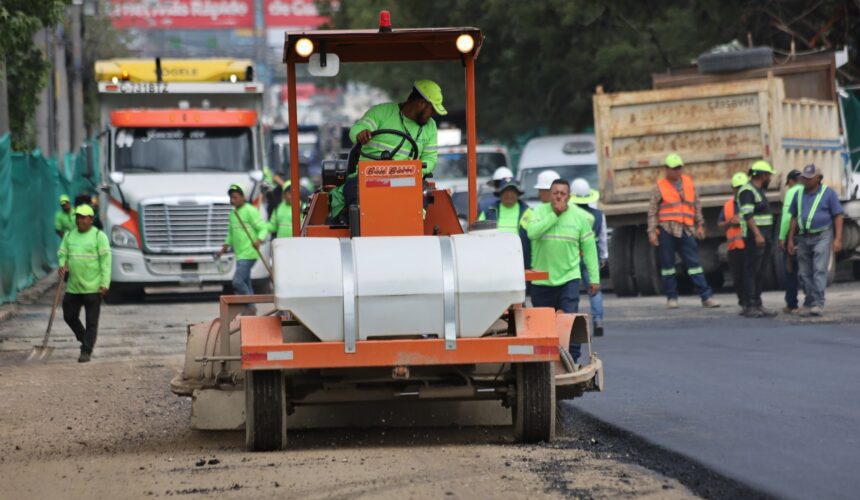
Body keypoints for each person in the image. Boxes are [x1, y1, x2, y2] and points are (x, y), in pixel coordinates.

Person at [330, 80, 446, 220]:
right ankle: (358, 223)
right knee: (353, 191)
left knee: (423, 193)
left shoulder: (430, 127)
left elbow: (430, 158)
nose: (432, 114)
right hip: (368, 179)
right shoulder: (382, 112)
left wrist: (413, 171)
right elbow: (357, 129)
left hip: (404, 181)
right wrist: (360, 133)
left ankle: (414, 225)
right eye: (432, 110)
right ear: (421, 103)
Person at [527, 179, 600, 362]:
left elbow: (590, 249)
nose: (559, 197)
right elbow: (532, 233)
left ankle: (572, 360)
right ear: (549, 195)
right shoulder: (539, 211)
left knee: (568, 321)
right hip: (542, 281)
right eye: (555, 193)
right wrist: (554, 215)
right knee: (543, 327)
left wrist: (594, 278)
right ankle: (546, 362)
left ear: (569, 196)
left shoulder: (579, 217)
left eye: (563, 193)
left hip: (569, 278)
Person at [647, 153, 719, 309]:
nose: (677, 171)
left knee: (694, 264)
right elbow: (652, 211)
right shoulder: (660, 187)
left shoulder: (688, 183)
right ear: (667, 169)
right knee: (668, 266)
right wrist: (652, 232)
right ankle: (671, 298)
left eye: (679, 168)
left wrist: (700, 225)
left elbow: (696, 205)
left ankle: (706, 297)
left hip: (686, 230)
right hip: (667, 230)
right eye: (674, 168)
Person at [787, 163, 844, 317]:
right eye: (804, 177)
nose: (806, 180)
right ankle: (809, 301)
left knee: (819, 269)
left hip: (822, 235)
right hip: (803, 237)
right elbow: (793, 217)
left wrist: (838, 239)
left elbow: (838, 215)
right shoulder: (798, 194)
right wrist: (790, 239)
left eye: (809, 178)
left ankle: (818, 303)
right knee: (804, 272)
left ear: (818, 178)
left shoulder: (828, 193)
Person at [57, 204, 111, 363]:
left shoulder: (99, 236)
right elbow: (62, 253)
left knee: (91, 322)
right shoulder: (69, 236)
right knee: (69, 315)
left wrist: (105, 283)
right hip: (73, 286)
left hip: (93, 287)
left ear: (91, 219)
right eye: (78, 217)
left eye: (83, 217)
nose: (79, 220)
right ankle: (84, 337)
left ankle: (86, 350)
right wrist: (62, 264)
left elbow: (106, 262)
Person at [216, 184, 268, 315]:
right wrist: (223, 249)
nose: (232, 200)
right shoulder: (233, 214)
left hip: (249, 253)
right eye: (231, 198)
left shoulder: (250, 210)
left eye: (235, 197)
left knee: (237, 281)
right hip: (239, 254)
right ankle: (251, 308)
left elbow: (263, 228)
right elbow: (230, 234)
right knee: (246, 282)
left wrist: (259, 240)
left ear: (242, 197)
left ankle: (249, 306)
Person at [737, 160, 777, 318]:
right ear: (762, 175)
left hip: (764, 237)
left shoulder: (758, 190)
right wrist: (757, 235)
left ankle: (758, 303)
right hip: (755, 238)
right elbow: (748, 215)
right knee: (751, 271)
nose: (770, 178)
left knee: (760, 272)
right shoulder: (747, 191)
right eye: (769, 175)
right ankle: (750, 305)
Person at [570, 178, 607, 337]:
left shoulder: (570, 214)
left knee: (570, 290)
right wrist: (603, 256)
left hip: (572, 256)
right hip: (591, 257)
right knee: (594, 289)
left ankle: (570, 322)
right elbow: (602, 238)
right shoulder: (598, 215)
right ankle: (598, 321)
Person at [479, 180, 531, 267]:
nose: (509, 194)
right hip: (494, 262)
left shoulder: (528, 212)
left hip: (520, 263)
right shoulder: (489, 211)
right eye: (505, 191)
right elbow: (478, 235)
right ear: (500, 193)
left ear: (518, 194)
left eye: (512, 191)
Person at [718, 172, 749, 310]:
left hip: (748, 245)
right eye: (738, 187)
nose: (740, 190)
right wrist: (730, 222)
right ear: (733, 188)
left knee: (750, 276)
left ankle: (752, 302)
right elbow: (720, 225)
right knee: (737, 277)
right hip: (733, 248)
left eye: (743, 187)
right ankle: (743, 302)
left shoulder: (751, 203)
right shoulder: (728, 206)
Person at [778, 169, 804, 313]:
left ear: (791, 181)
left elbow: (787, 217)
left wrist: (783, 237)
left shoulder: (792, 192)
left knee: (790, 270)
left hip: (794, 235)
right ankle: (811, 301)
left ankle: (791, 303)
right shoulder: (809, 190)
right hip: (807, 234)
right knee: (807, 269)